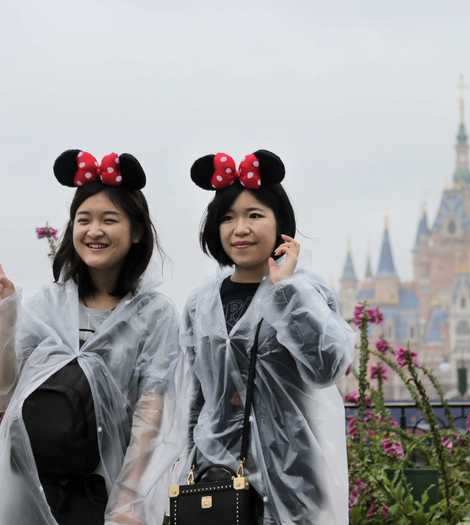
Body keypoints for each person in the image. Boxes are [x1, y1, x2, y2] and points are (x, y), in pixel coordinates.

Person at [0, 150, 179, 525]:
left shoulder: (153, 314)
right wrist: (5, 313)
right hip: (31, 488)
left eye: (109, 220)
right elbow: (7, 393)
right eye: (84, 219)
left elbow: (151, 412)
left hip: (104, 495)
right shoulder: (46, 304)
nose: (93, 231)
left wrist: (128, 502)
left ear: (137, 232)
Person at [177, 149, 354, 524]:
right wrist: (183, 468)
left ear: (280, 223)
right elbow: (194, 398)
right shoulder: (200, 304)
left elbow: (327, 367)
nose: (240, 229)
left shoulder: (306, 291)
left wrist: (284, 290)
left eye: (254, 215)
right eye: (227, 218)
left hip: (293, 477)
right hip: (216, 479)